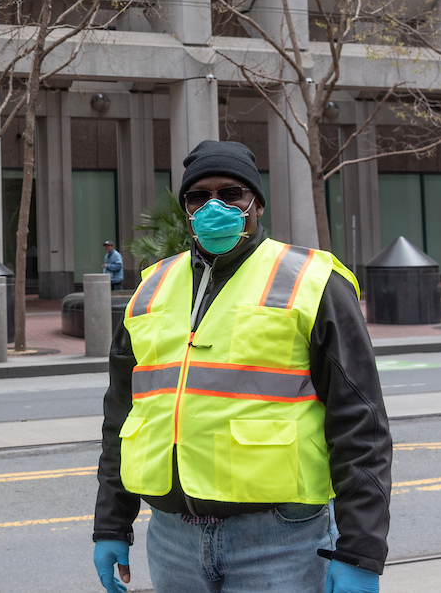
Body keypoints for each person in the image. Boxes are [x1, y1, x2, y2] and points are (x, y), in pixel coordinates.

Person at [92, 140, 391, 593]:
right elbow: (121, 415)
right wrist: (112, 524)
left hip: (280, 540)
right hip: (173, 539)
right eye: (199, 196)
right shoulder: (151, 287)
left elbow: (360, 425)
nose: (215, 206)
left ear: (256, 204)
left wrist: (362, 551)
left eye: (231, 193)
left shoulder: (314, 281)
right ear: (187, 209)